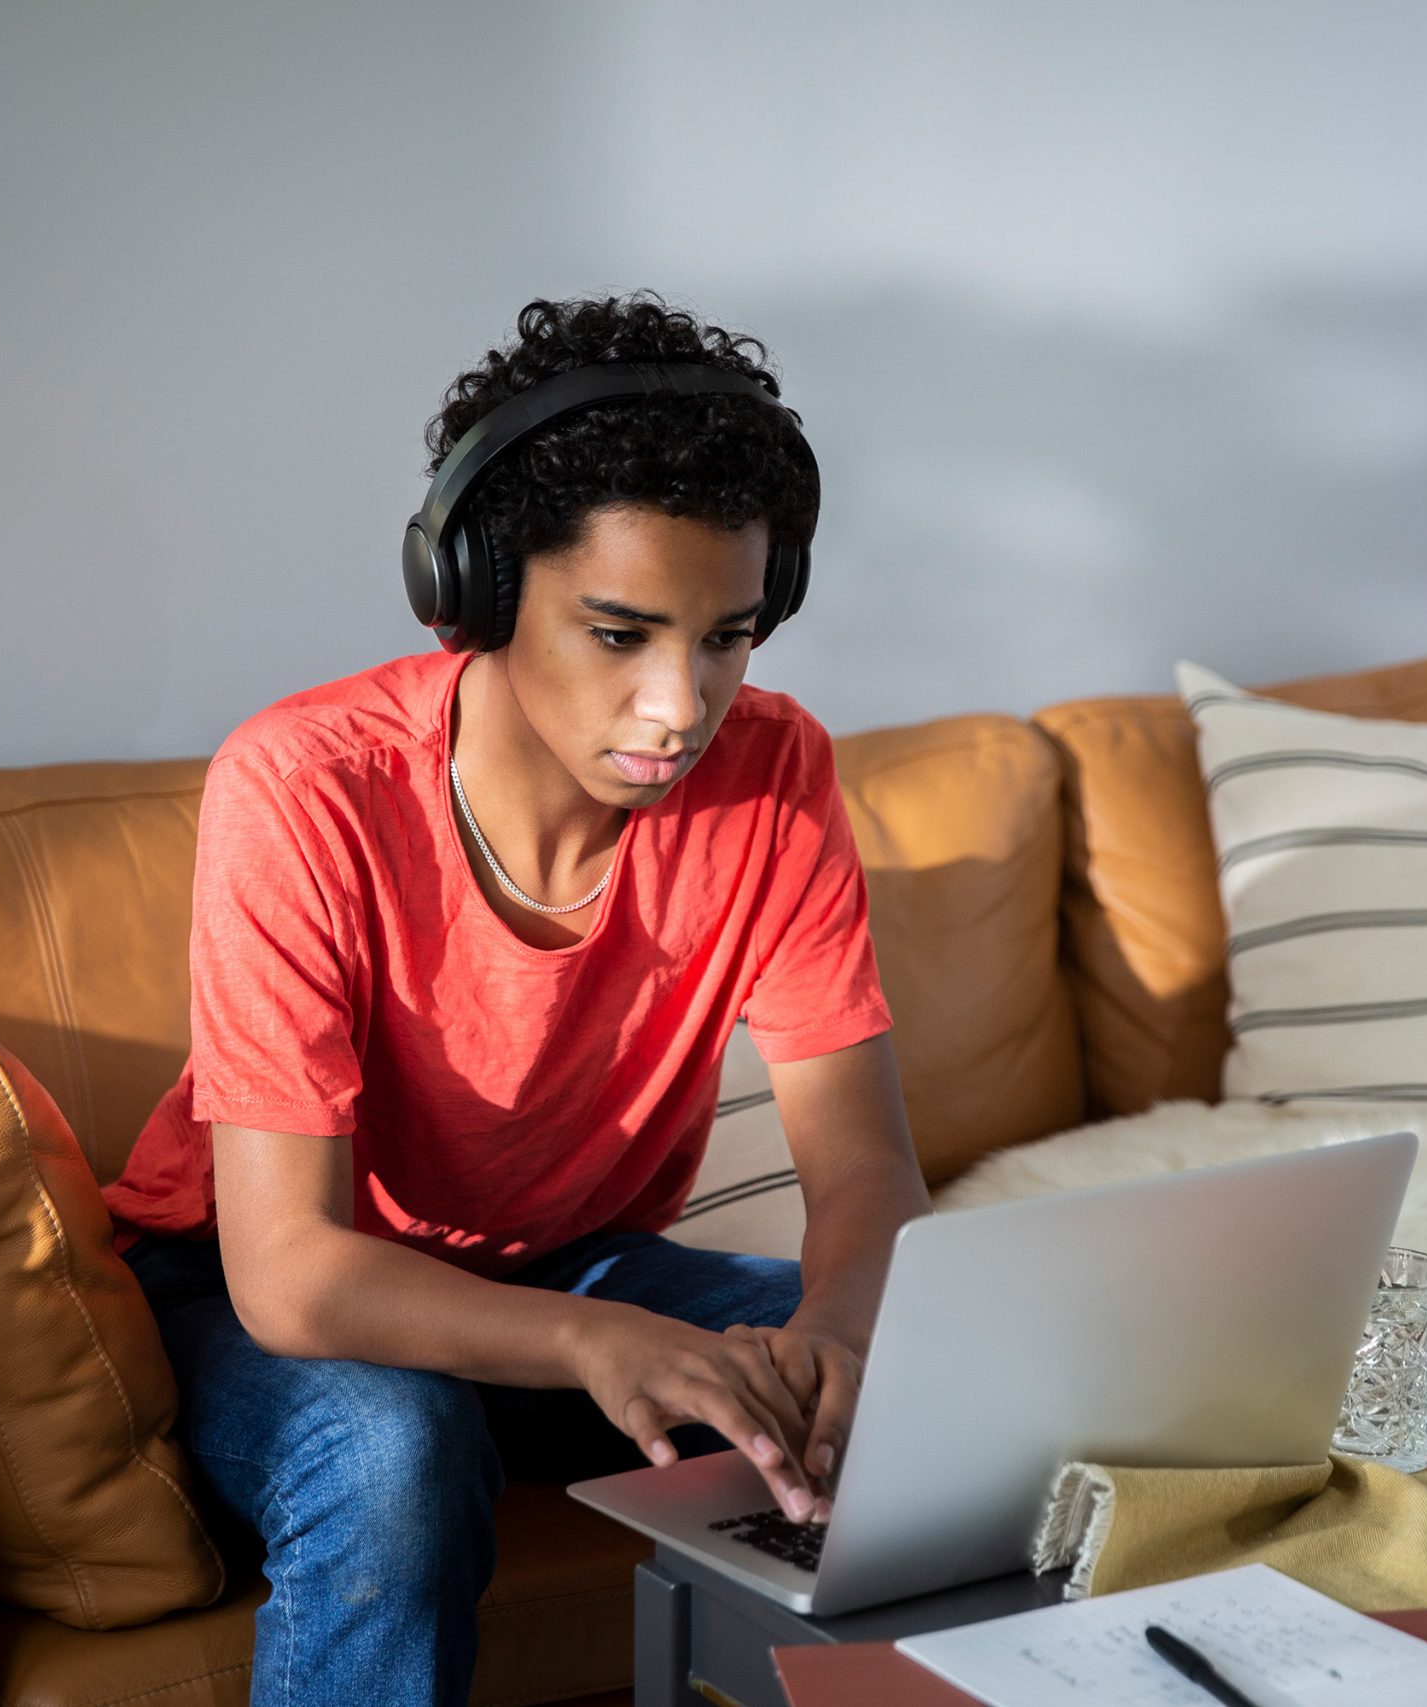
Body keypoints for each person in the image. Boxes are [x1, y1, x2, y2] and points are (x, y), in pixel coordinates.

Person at [100, 290, 932, 1707]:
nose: (682, 705)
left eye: (728, 637)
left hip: (562, 1262)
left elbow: (864, 1174)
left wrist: (845, 1348)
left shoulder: (778, 771)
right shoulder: (304, 788)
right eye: (620, 634)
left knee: (943, 1381)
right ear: (478, 591)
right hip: (260, 1297)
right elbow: (290, 1273)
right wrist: (590, 1343)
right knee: (394, 1450)